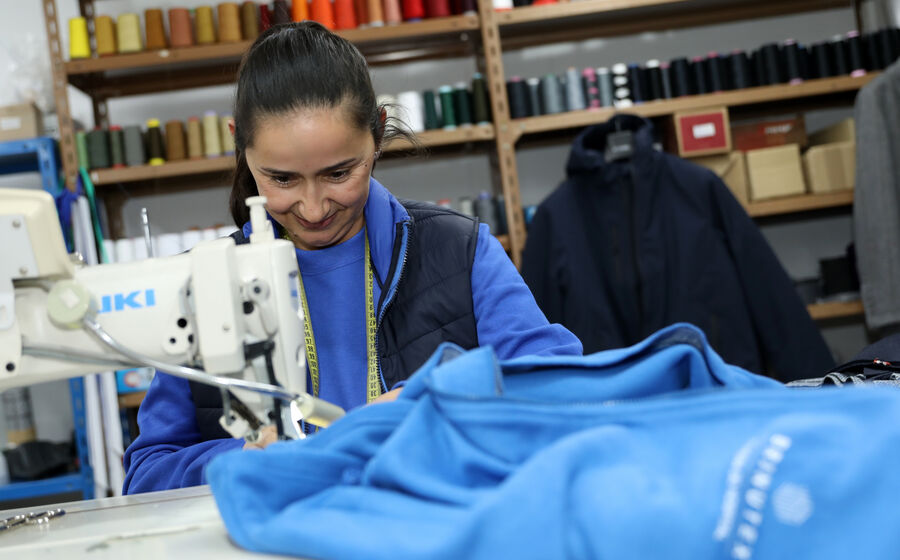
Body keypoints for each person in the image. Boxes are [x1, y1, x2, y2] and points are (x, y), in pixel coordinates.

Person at [123, 21, 582, 494]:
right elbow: (146, 474)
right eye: (282, 179)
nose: (314, 207)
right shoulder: (204, 286)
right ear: (239, 145)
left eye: (339, 172)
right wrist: (238, 457)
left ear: (378, 133)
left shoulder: (459, 252)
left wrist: (438, 399)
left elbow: (561, 390)